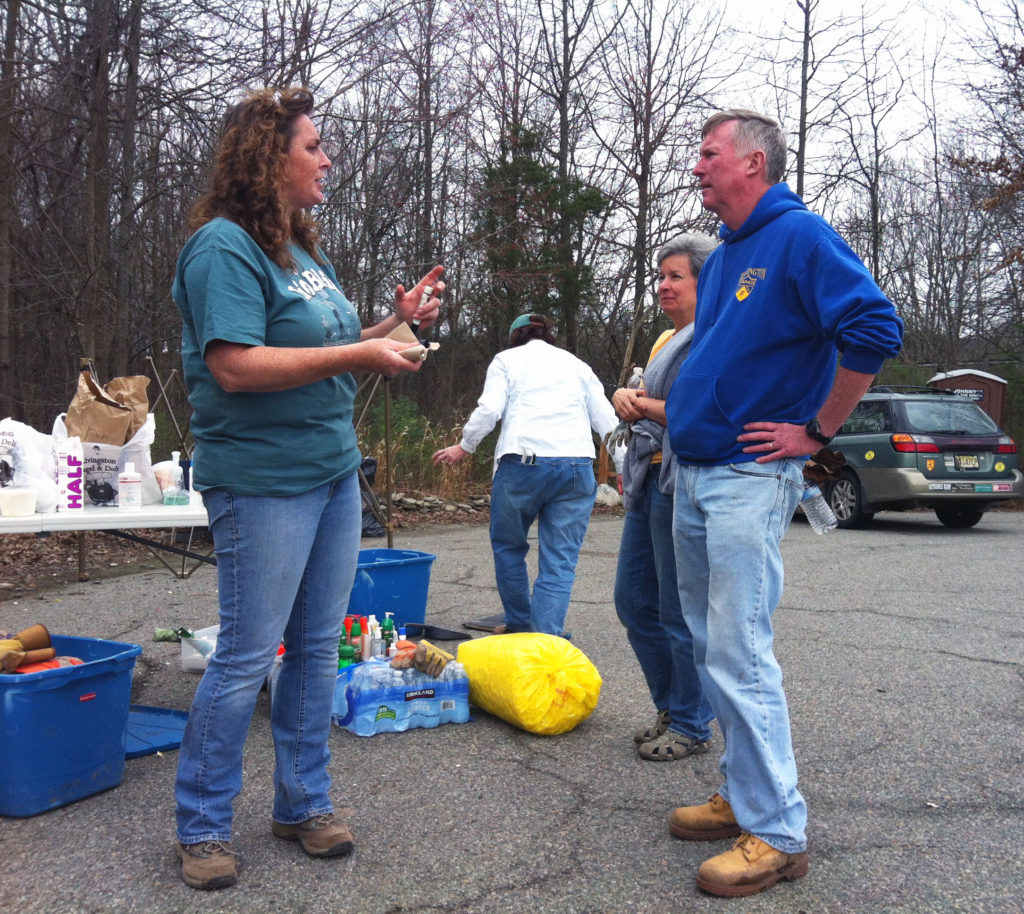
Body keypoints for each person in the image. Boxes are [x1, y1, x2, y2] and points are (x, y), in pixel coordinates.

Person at [171, 86, 442, 891]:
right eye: (314, 146)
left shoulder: (299, 249)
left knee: (317, 649)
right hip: (262, 481)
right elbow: (234, 363)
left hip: (331, 473)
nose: (327, 158)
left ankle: (303, 803)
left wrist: (393, 326)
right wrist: (359, 355)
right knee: (246, 655)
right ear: (269, 157)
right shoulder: (223, 248)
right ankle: (203, 825)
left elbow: (325, 347)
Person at [664, 109, 903, 897]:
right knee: (711, 647)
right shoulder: (728, 252)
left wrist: (817, 429)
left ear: (753, 163)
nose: (696, 167)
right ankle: (743, 793)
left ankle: (777, 833)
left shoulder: (799, 236)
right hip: (696, 472)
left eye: (708, 154)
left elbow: (875, 326)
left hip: (748, 476)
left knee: (740, 652)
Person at [432, 313, 620, 637]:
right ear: (548, 336)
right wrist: (626, 466)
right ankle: (546, 640)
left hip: (522, 464)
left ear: (515, 336)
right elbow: (607, 420)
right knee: (560, 560)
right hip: (576, 466)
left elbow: (490, 410)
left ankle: (520, 627)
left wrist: (465, 446)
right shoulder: (578, 366)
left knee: (509, 548)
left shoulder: (506, 361)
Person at [611, 234, 716, 762]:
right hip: (648, 477)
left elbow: (702, 413)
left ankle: (693, 722)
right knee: (633, 602)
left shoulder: (712, 337)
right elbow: (646, 395)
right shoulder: (664, 340)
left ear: (706, 280)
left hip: (683, 482)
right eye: (660, 276)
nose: (663, 285)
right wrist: (624, 395)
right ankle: (672, 707)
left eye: (677, 276)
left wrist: (640, 405)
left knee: (679, 612)